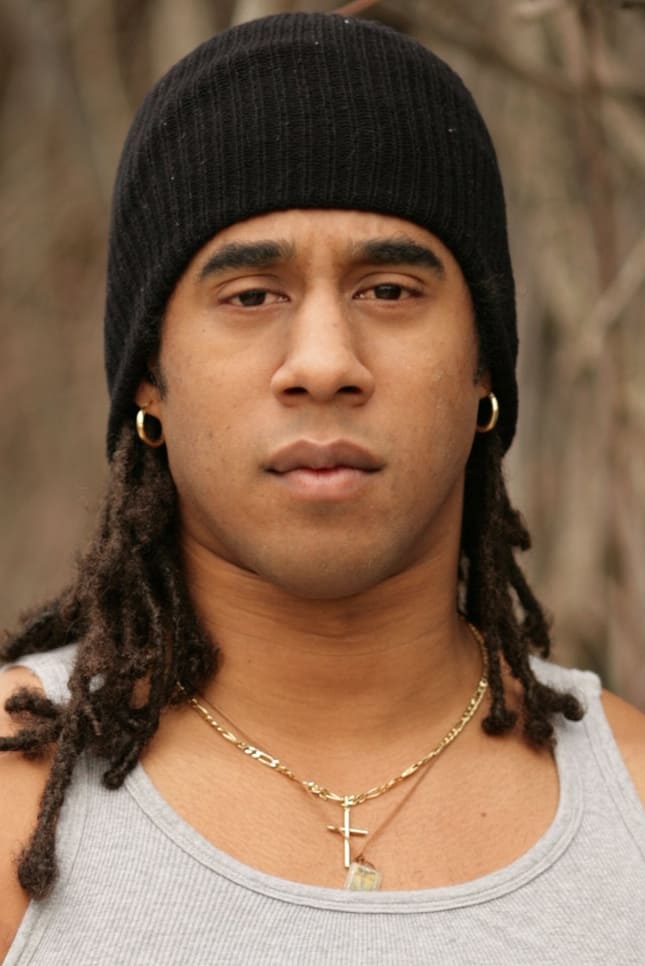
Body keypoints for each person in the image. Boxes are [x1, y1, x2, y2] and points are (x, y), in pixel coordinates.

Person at [1, 11, 644, 964]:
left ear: (482, 368)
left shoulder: (631, 803)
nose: (324, 363)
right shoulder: (15, 790)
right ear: (150, 381)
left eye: (388, 290)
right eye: (250, 294)